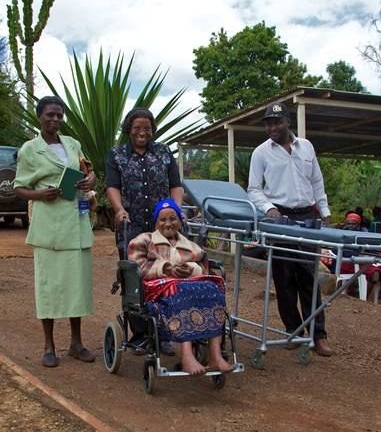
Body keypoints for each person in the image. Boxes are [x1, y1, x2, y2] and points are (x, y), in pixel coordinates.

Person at [13, 96, 96, 367]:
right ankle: (48, 345)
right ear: (39, 116)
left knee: (76, 285)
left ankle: (76, 342)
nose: (55, 120)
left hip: (75, 221)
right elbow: (18, 187)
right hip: (49, 224)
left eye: (59, 115)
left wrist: (89, 181)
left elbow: (87, 170)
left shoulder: (72, 143)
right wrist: (39, 194)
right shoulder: (30, 149)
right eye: (50, 115)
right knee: (48, 286)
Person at [247, 101, 333, 356]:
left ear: (288, 122)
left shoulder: (306, 147)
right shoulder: (260, 153)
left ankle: (318, 336)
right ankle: (293, 332)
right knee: (284, 280)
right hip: (280, 219)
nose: (272, 127)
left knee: (309, 278)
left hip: (307, 217)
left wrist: (325, 213)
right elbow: (253, 188)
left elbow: (317, 182)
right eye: (269, 123)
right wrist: (269, 209)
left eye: (277, 122)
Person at [105, 107, 184, 356]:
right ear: (129, 129)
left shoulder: (163, 152)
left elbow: (175, 185)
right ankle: (140, 334)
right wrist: (119, 210)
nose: (142, 132)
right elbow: (112, 186)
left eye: (147, 128)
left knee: (164, 275)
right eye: (137, 127)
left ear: (153, 130)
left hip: (162, 227)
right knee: (135, 280)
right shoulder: (117, 155)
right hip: (131, 226)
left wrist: (175, 212)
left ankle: (161, 333)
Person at [128, 198, 233, 375]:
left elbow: (203, 266)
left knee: (214, 291)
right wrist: (166, 268)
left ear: (179, 221)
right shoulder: (145, 240)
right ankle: (186, 355)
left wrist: (190, 269)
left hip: (188, 284)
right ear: (156, 222)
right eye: (163, 219)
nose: (168, 223)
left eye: (173, 218)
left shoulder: (190, 245)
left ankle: (215, 354)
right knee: (181, 293)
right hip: (158, 291)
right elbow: (137, 266)